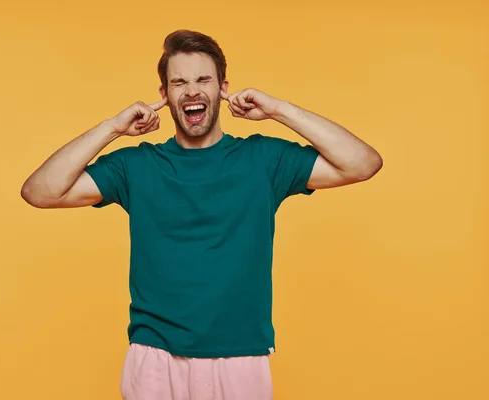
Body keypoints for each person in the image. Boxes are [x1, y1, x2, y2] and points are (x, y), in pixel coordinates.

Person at [21, 29, 383, 400]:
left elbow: (362, 163)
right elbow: (39, 191)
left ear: (222, 88)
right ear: (164, 95)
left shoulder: (264, 160)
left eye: (203, 79)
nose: (192, 91)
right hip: (155, 360)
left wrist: (277, 110)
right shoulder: (137, 166)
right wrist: (112, 128)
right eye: (179, 82)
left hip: (241, 358)